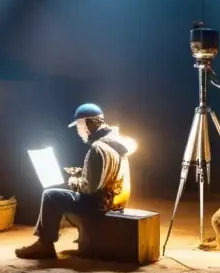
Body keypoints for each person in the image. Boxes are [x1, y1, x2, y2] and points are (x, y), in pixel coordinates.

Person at [15, 103, 132, 260]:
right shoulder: (115, 144)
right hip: (114, 201)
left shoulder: (97, 149)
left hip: (97, 204)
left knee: (50, 195)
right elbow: (106, 176)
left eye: (78, 125)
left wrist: (73, 180)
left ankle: (45, 244)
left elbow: (89, 188)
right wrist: (82, 172)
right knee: (61, 193)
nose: (78, 131)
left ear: (88, 123)